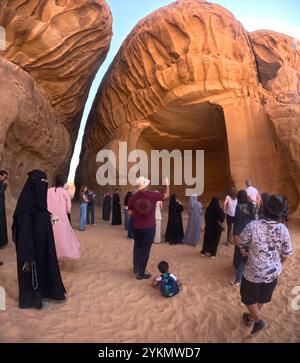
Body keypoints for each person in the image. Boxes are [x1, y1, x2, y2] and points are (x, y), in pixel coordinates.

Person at [236, 195, 292, 335]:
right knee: (262, 297)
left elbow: (240, 242)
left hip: (254, 271)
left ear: (265, 208)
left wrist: (243, 249)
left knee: (248, 297)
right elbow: (286, 253)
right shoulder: (283, 229)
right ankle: (251, 318)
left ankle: (259, 321)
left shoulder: (253, 226)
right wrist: (278, 264)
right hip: (273, 272)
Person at [12, 170, 66, 309]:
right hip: (30, 251)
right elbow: (24, 235)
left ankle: (44, 292)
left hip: (42, 248)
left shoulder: (40, 206)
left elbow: (41, 213)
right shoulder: (25, 210)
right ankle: (32, 297)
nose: (44, 185)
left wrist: (48, 217)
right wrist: (29, 254)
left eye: (45, 182)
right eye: (41, 182)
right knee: (32, 274)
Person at [128, 176, 170, 280]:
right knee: (145, 250)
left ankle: (136, 267)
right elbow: (166, 195)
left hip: (137, 226)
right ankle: (141, 273)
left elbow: (129, 212)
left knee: (137, 247)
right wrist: (167, 185)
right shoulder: (153, 195)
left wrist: (138, 214)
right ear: (146, 185)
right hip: (149, 227)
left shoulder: (132, 198)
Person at [47, 174, 81, 260]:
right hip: (61, 217)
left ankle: (51, 254)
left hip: (50, 216)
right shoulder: (64, 192)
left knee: (52, 234)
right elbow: (68, 207)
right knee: (62, 236)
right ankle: (61, 254)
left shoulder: (49, 190)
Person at [231, 190, 255, 286]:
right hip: (250, 230)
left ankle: (239, 267)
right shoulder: (251, 205)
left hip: (241, 230)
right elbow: (253, 217)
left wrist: (235, 233)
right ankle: (247, 268)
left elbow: (237, 220)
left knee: (240, 248)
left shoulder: (239, 206)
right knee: (248, 249)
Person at [0, 170, 8, 249]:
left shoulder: (2, 183)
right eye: (4, 177)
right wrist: (4, 186)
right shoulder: (3, 184)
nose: (5, 179)